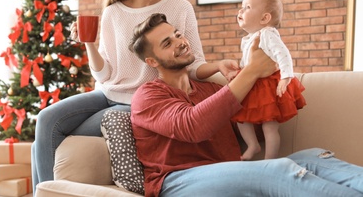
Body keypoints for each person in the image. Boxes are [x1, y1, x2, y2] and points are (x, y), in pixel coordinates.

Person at [31, 0, 237, 194]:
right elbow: (105, 73)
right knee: (46, 119)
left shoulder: (178, 7)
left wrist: (218, 67)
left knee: (45, 139)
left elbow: (193, 65)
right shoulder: (113, 13)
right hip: (107, 94)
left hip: (140, 103)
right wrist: (88, 44)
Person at [128, 13, 363, 197]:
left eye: (178, 35)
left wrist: (269, 83)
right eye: (167, 43)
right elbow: (194, 125)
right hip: (177, 182)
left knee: (312, 157)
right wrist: (250, 73)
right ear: (152, 61)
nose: (179, 42)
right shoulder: (148, 96)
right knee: (278, 171)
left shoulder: (209, 89)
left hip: (228, 172)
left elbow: (255, 128)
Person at [231, 0, 306, 160]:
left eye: (247, 7)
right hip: (252, 84)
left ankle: (270, 160)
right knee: (240, 118)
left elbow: (283, 54)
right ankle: (253, 145)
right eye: (241, 7)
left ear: (264, 19)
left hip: (267, 87)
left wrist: (286, 77)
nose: (240, 11)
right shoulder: (249, 37)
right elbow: (249, 63)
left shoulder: (267, 34)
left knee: (269, 127)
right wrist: (237, 72)